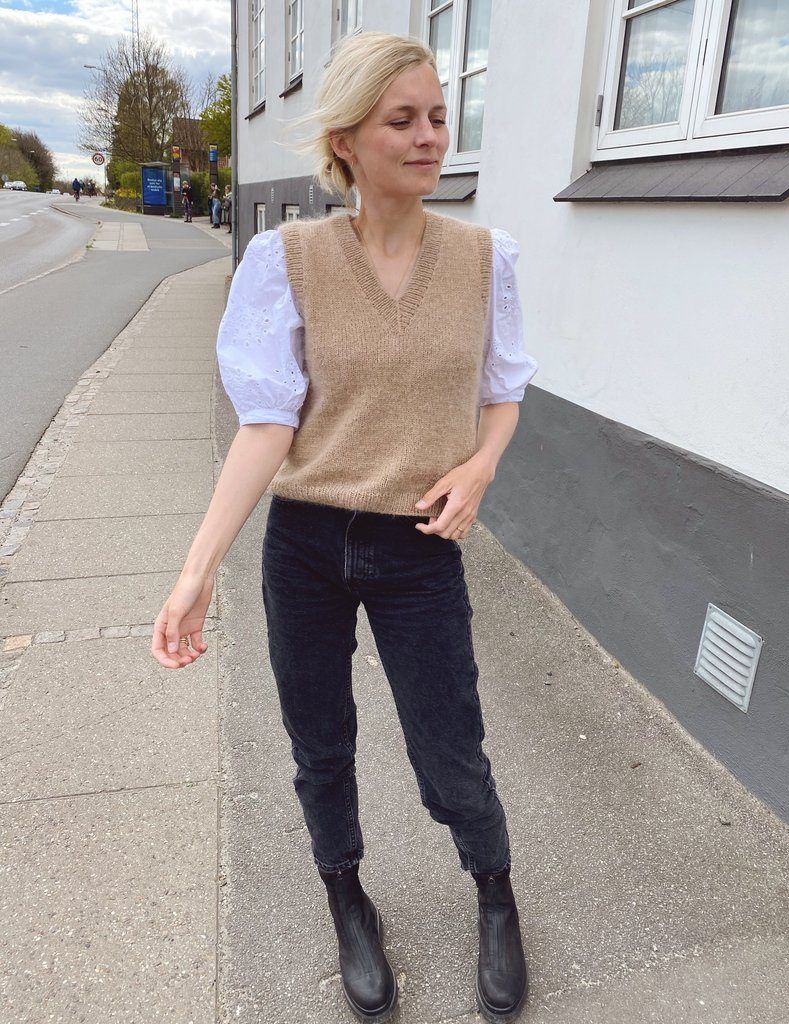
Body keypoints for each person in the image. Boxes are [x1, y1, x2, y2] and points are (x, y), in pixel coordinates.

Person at [151, 30, 537, 1024]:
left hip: (420, 547)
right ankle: (346, 897)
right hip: (308, 547)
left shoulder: (486, 259)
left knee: (451, 748)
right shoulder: (289, 261)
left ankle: (494, 892)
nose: (428, 136)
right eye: (400, 119)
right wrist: (198, 569)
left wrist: (480, 467)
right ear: (347, 141)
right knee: (319, 742)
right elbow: (267, 425)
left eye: (437, 116)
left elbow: (502, 391)